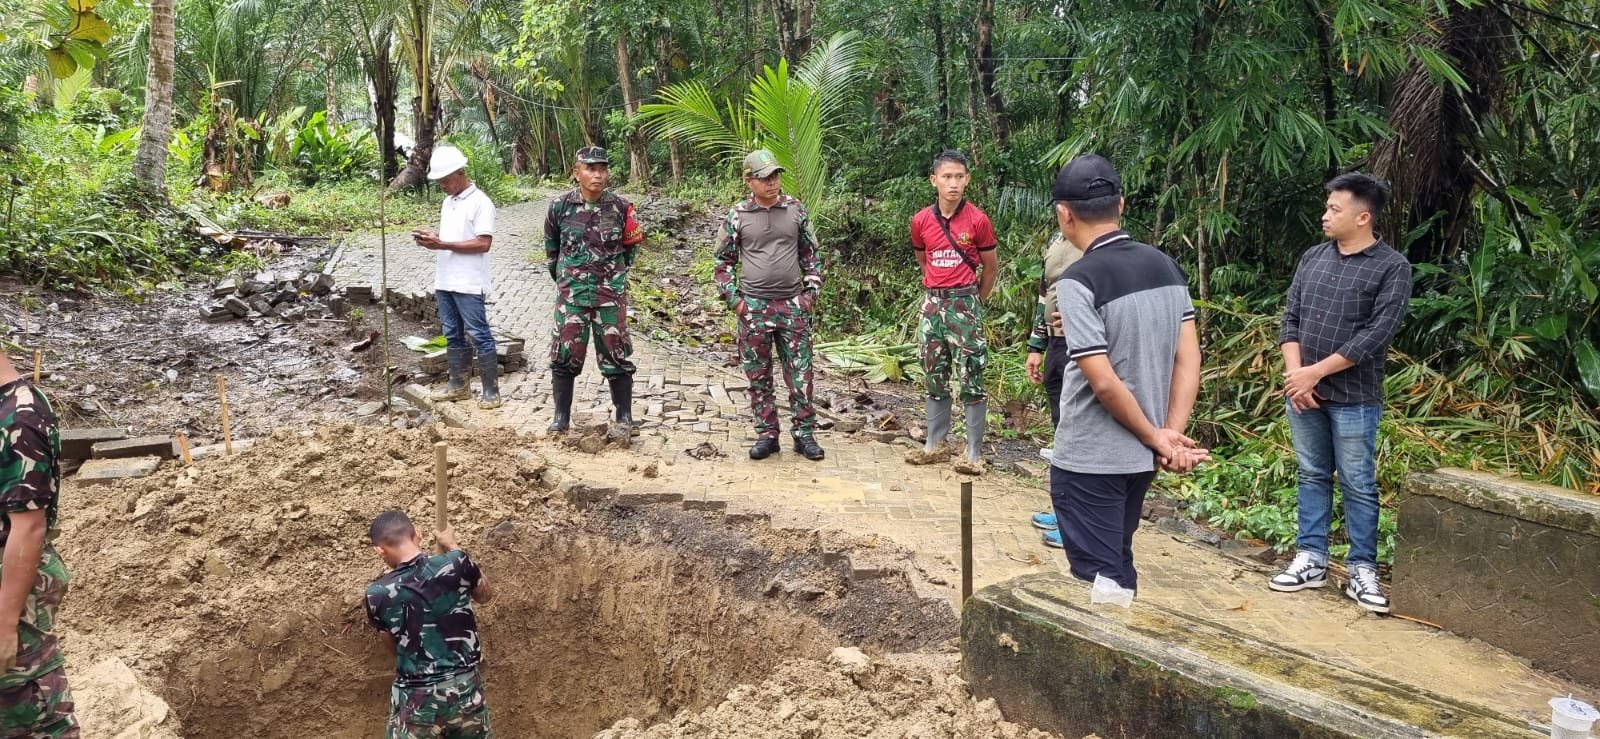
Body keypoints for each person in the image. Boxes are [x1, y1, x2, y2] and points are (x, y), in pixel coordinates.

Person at [1048, 154, 1208, 596]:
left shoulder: (1078, 281)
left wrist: (1159, 439)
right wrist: (1168, 435)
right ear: (1121, 204)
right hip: (1140, 459)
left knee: (1101, 580)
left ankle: (1110, 660)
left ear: (1065, 214)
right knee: (1118, 558)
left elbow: (1103, 382)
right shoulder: (1167, 267)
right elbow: (1188, 358)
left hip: (1091, 459)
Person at [1269, 173, 1411, 615]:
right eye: (1327, 207)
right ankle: (1311, 559)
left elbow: (1375, 336)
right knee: (1311, 474)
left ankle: (1362, 568)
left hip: (1355, 396)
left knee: (1358, 483)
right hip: (1304, 393)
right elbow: (1290, 320)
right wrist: (1298, 377)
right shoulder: (1313, 257)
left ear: (1363, 217)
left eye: (1335, 209)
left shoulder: (1392, 267)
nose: (1325, 215)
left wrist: (1315, 373)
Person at [714, 150, 826, 461]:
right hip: (754, 308)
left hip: (792, 306)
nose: (772, 182)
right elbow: (723, 263)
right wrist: (736, 302)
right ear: (749, 181)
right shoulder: (738, 216)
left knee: (801, 374)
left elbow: (812, 256)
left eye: (775, 175)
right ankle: (767, 434)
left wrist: (809, 294)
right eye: (764, 178)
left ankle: (805, 435)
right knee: (758, 374)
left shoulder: (795, 210)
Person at [904, 150, 998, 475]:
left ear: (967, 179)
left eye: (959, 177)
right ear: (934, 181)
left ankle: (973, 453)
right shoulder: (921, 221)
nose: (953, 184)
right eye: (947, 177)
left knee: (971, 374)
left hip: (965, 304)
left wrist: (975, 302)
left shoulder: (978, 220)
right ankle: (935, 444)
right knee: (933, 373)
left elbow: (990, 268)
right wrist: (937, 293)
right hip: (932, 306)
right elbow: (923, 260)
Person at [543, 146, 646, 443]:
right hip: (572, 298)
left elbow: (629, 252)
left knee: (616, 354)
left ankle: (624, 416)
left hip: (609, 297)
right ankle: (560, 417)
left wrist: (610, 280)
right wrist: (567, 280)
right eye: (590, 168)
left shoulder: (622, 208)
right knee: (564, 355)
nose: (597, 174)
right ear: (576, 173)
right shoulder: (559, 208)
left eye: (601, 168)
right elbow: (552, 252)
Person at [0, 350, 77, 737]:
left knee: (29, 708)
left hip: (14, 590)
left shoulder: (20, 416)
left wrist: (5, 622)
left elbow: (28, 527)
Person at [365, 511, 494, 738]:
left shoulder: (377, 594)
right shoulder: (457, 562)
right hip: (465, 692)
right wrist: (453, 545)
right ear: (419, 534)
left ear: (379, 550)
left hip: (417, 701)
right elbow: (484, 595)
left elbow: (393, 647)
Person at [414, 145, 501, 410]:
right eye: (439, 181)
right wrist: (435, 241)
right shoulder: (448, 202)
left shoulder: (481, 203)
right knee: (452, 334)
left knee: (479, 334)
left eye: (445, 179)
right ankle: (458, 385)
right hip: (445, 280)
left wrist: (442, 244)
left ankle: (490, 390)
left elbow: (483, 243)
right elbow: (452, 239)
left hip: (469, 282)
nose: (442, 184)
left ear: (460, 172)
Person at [1024, 233, 1083, 548]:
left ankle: (1078, 524)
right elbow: (1045, 295)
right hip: (1058, 344)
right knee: (1062, 429)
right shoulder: (1057, 242)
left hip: (1087, 345)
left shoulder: (1100, 244)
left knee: (1080, 432)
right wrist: (1037, 344)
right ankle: (1065, 512)